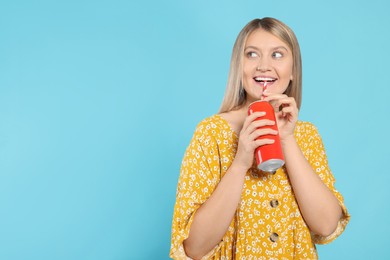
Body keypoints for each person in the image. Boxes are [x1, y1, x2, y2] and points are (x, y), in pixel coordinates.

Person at [170, 17, 350, 259]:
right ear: (238, 67)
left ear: (293, 70)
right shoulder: (211, 134)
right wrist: (241, 162)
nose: (264, 66)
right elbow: (194, 248)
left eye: (277, 55)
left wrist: (287, 140)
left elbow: (326, 225)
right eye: (252, 54)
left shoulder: (307, 135)